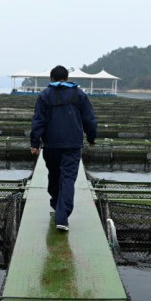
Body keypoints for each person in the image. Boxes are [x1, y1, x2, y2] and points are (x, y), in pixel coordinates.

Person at [30, 65, 97, 231]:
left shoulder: (45, 95)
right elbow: (89, 118)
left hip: (51, 145)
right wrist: (91, 137)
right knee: (67, 179)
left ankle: (58, 208)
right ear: (67, 78)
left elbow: (38, 120)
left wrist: (34, 143)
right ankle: (62, 215)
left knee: (54, 175)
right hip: (73, 145)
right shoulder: (78, 94)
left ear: (51, 79)